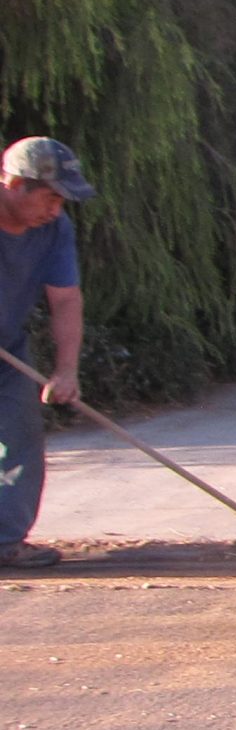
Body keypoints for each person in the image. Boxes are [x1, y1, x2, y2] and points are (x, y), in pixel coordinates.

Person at [0, 137, 93, 570]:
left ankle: (6, 541)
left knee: (20, 438)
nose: (55, 208)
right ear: (16, 184)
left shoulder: (55, 230)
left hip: (8, 347)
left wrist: (66, 370)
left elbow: (65, 299)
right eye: (51, 196)